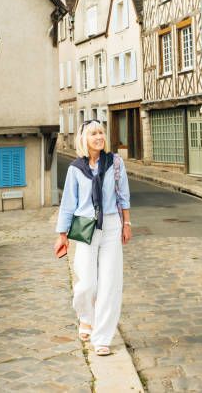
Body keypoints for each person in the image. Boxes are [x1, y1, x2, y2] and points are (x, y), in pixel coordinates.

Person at [54, 119, 132, 356]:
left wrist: (126, 223)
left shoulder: (115, 163)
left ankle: (102, 338)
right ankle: (86, 318)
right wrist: (62, 235)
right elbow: (68, 203)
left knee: (109, 284)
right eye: (93, 134)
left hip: (110, 224)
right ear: (84, 140)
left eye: (101, 133)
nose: (99, 137)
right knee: (86, 284)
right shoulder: (76, 168)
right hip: (85, 227)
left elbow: (124, 196)